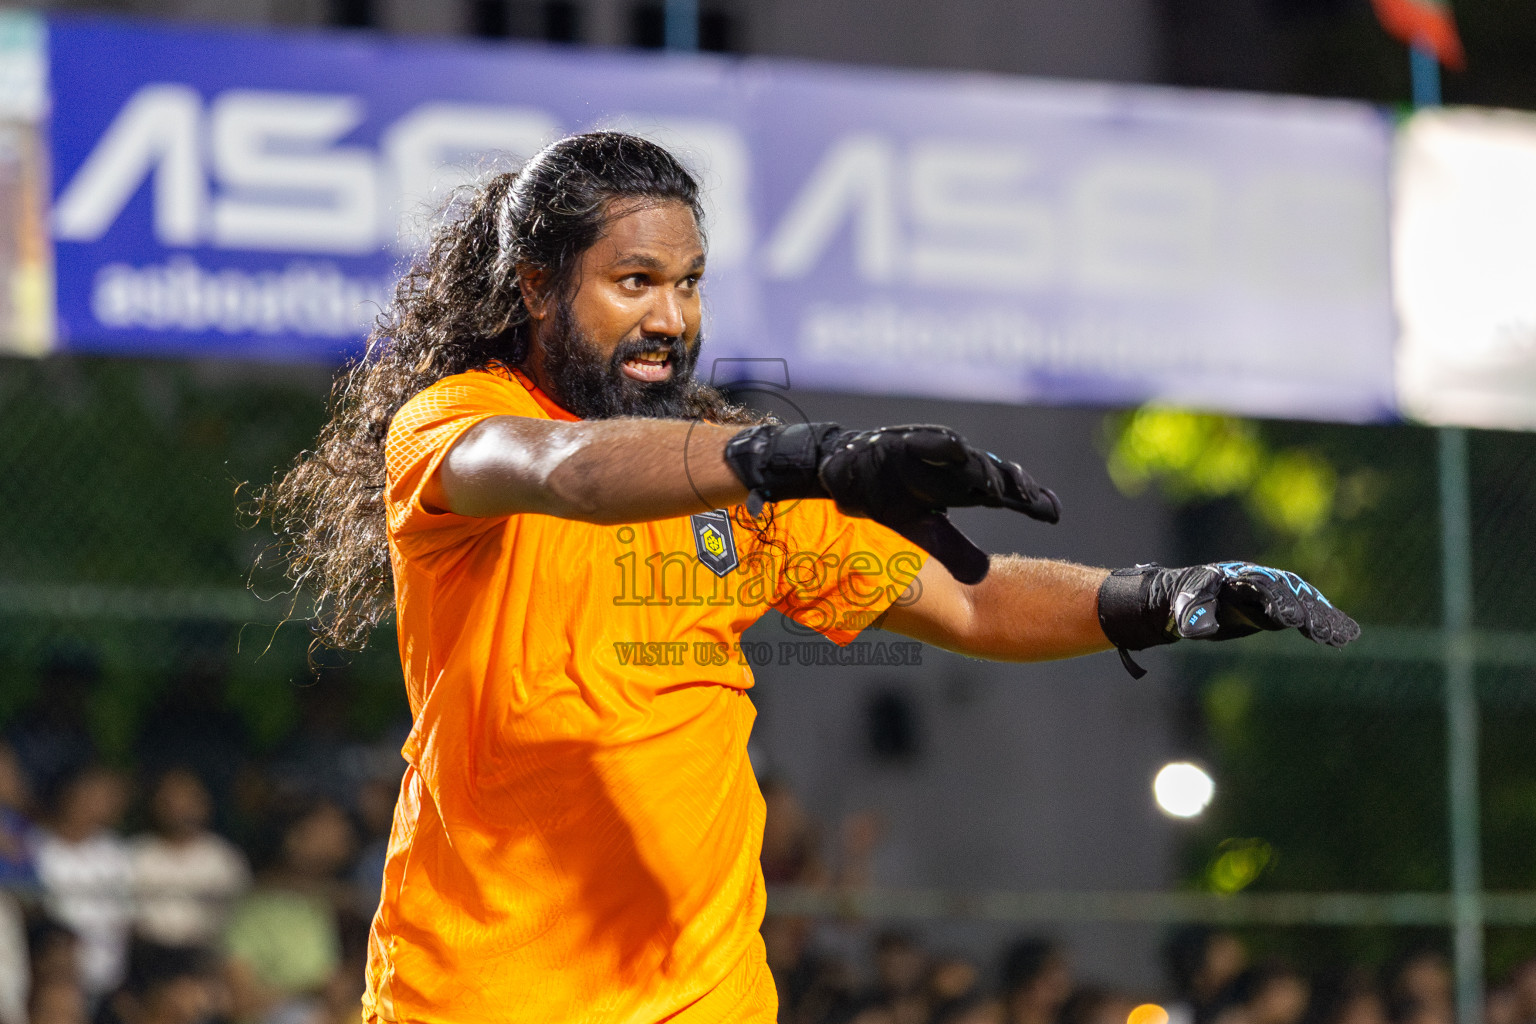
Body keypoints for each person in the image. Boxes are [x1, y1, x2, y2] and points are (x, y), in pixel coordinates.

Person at [260, 131, 1360, 1024]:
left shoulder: (732, 476)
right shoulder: (456, 423)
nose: (670, 318)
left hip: (711, 999)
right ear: (539, 287)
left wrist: (1164, 597)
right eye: (633, 281)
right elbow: (568, 470)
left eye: (688, 284)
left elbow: (971, 599)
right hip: (482, 998)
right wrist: (793, 453)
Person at [32, 766, 132, 1004]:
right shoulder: (37, 848)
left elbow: (126, 917)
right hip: (53, 980)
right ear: (69, 796)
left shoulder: (115, 853)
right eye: (93, 795)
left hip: (107, 977)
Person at [130, 769, 251, 951]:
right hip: (146, 954)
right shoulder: (137, 853)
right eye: (170, 802)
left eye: (189, 801)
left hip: (204, 954)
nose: (180, 809)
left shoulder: (223, 858)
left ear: (204, 805)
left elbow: (238, 914)